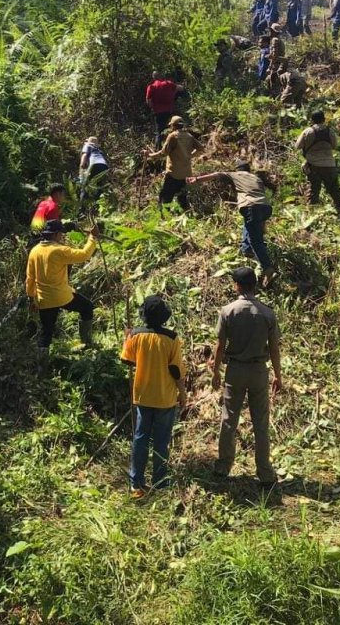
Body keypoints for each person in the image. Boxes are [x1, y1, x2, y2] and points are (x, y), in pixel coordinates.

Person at [211, 267, 282, 484]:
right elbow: (274, 348)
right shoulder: (267, 313)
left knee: (229, 419)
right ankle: (265, 472)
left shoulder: (228, 311)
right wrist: (278, 375)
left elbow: (220, 345)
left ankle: (223, 467)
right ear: (255, 285)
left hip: (235, 371)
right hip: (259, 371)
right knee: (261, 422)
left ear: (237, 286)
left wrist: (215, 371)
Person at [121, 295, 187, 498]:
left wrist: (126, 338)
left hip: (143, 396)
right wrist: (183, 393)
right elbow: (176, 370)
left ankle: (136, 484)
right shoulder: (171, 338)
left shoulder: (135, 336)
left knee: (140, 438)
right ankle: (160, 481)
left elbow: (127, 360)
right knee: (161, 440)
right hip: (165, 398)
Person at [188, 162, 276, 285]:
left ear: (237, 169)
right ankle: (246, 249)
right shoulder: (256, 178)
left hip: (251, 207)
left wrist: (197, 179)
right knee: (251, 227)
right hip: (265, 208)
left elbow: (217, 174)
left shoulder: (235, 174)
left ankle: (268, 268)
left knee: (255, 241)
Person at [26, 220, 98, 367]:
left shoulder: (35, 251)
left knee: (46, 332)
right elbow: (84, 255)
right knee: (87, 307)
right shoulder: (59, 250)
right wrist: (92, 238)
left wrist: (32, 298)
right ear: (56, 234)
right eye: (61, 234)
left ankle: (41, 368)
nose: (62, 236)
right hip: (62, 297)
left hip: (43, 299)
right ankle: (87, 343)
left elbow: (29, 278)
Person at [145, 115, 203, 213]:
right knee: (182, 198)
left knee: (165, 197)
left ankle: (163, 216)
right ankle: (185, 215)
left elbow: (163, 153)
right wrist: (190, 155)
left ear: (173, 126)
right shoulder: (189, 136)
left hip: (173, 173)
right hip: (186, 174)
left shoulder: (173, 136)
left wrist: (149, 155)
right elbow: (201, 148)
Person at [295, 110, 340, 213]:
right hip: (329, 165)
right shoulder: (330, 132)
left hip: (313, 165)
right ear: (324, 119)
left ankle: (312, 211)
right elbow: (335, 146)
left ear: (312, 120)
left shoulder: (308, 131)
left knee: (314, 189)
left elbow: (297, 146)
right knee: (334, 188)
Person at [145, 71, 182, 150]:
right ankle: (172, 148)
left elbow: (148, 101)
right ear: (161, 76)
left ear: (153, 77)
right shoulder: (168, 83)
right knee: (171, 129)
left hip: (158, 112)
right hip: (169, 111)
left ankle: (158, 149)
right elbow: (180, 88)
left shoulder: (151, 86)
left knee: (159, 131)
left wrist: (152, 108)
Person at [79, 136, 110, 206]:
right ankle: (98, 204)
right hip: (104, 166)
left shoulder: (88, 146)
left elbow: (84, 155)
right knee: (100, 185)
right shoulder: (99, 150)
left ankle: (82, 206)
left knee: (85, 185)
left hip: (94, 164)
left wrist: (82, 164)